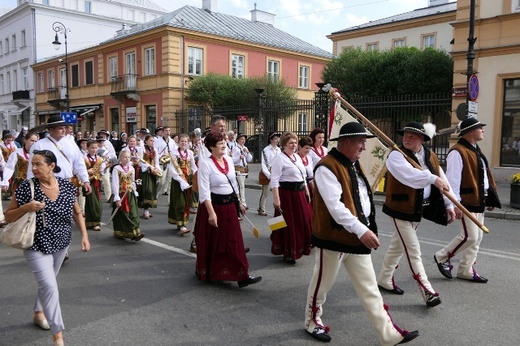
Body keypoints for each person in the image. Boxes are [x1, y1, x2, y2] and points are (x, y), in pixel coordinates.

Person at [304, 122, 419, 345]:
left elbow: (361, 199)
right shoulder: (326, 167)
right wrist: (362, 230)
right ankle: (311, 321)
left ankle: (388, 335)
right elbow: (335, 207)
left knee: (370, 289)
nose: (364, 147)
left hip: (355, 238)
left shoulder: (353, 164)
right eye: (361, 142)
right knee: (322, 285)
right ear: (346, 142)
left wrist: (365, 227)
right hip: (333, 238)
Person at [4, 150, 90, 346]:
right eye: (32, 164)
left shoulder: (67, 186)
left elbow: (77, 212)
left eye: (38, 164)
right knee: (50, 286)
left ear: (51, 166)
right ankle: (58, 336)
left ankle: (38, 312)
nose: (33, 168)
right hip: (35, 244)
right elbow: (7, 216)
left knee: (47, 283)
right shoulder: (27, 187)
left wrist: (84, 236)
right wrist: (26, 207)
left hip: (61, 242)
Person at [377, 121, 455, 308]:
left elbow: (442, 179)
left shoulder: (430, 155)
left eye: (412, 136)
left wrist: (449, 203)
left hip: (418, 208)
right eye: (405, 135)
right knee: (413, 251)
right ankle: (427, 291)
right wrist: (431, 178)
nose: (407, 138)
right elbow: (409, 176)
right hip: (400, 209)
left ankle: (384, 279)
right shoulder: (396, 155)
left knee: (398, 245)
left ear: (422, 139)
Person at [434, 117, 501, 283]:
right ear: (470, 131)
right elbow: (452, 181)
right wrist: (455, 204)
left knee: (477, 238)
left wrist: (490, 197)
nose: (483, 130)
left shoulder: (475, 149)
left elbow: (483, 177)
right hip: (466, 202)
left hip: (479, 200)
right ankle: (442, 256)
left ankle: (466, 269)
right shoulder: (457, 152)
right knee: (469, 237)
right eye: (480, 128)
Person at [194, 130, 261, 288]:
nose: (224, 145)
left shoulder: (229, 160)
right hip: (214, 207)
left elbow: (234, 184)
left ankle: (242, 275)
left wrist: (240, 204)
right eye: (220, 143)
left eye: (224, 142)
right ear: (211, 147)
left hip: (229, 205)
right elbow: (204, 193)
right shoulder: (205, 164)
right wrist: (211, 214)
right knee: (215, 242)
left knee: (234, 241)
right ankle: (212, 271)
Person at [270, 132, 312, 264]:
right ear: (284, 144)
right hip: (287, 194)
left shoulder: (297, 157)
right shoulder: (279, 159)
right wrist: (276, 199)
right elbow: (274, 180)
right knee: (287, 223)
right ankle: (287, 252)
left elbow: (303, 175)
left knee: (302, 221)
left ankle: (300, 247)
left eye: (295, 142)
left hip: (299, 194)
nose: (293, 145)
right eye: (291, 143)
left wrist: (306, 190)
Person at [111, 149, 144, 241]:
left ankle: (136, 232)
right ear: (120, 158)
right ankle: (124, 232)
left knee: (133, 212)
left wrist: (135, 191)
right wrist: (117, 197)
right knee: (123, 214)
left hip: (130, 193)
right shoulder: (116, 169)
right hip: (121, 193)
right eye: (125, 157)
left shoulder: (132, 168)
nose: (127, 159)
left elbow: (133, 181)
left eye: (128, 157)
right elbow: (115, 183)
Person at [168, 133, 197, 235]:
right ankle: (181, 224)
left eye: (185, 141)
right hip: (178, 180)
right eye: (182, 141)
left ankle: (183, 223)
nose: (184, 143)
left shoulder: (190, 153)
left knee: (187, 202)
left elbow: (193, 167)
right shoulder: (174, 153)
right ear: (178, 142)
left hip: (188, 178)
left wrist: (196, 176)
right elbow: (172, 169)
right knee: (180, 202)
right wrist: (181, 180)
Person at [257, 131, 281, 216]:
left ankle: (279, 209)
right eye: (275, 138)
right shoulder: (266, 150)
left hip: (277, 172)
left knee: (278, 192)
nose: (277, 140)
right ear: (270, 140)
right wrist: (269, 175)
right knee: (265, 192)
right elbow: (264, 164)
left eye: (277, 138)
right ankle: (261, 208)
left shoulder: (279, 149)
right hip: (269, 172)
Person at [84, 140, 105, 231]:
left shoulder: (100, 159)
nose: (94, 150)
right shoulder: (84, 158)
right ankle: (91, 222)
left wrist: (107, 166)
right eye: (92, 148)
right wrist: (87, 172)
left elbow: (102, 172)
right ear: (87, 148)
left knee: (96, 201)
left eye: (96, 148)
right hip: (88, 181)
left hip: (97, 182)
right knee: (91, 202)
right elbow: (78, 170)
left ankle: (95, 221)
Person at [138, 134, 161, 219]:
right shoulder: (142, 149)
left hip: (152, 172)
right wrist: (148, 167)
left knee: (152, 191)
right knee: (145, 190)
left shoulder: (154, 150)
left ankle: (147, 209)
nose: (152, 142)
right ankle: (145, 210)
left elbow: (156, 162)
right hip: (144, 172)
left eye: (153, 141)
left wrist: (157, 169)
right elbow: (140, 162)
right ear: (146, 141)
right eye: (150, 140)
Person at [232, 133, 252, 210]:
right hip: (238, 169)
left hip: (244, 169)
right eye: (241, 139)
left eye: (244, 139)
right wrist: (239, 158)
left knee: (242, 186)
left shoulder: (245, 148)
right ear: (238, 140)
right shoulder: (235, 148)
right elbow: (232, 160)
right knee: (241, 186)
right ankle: (243, 203)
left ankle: (241, 201)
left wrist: (247, 152)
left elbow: (249, 159)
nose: (243, 141)